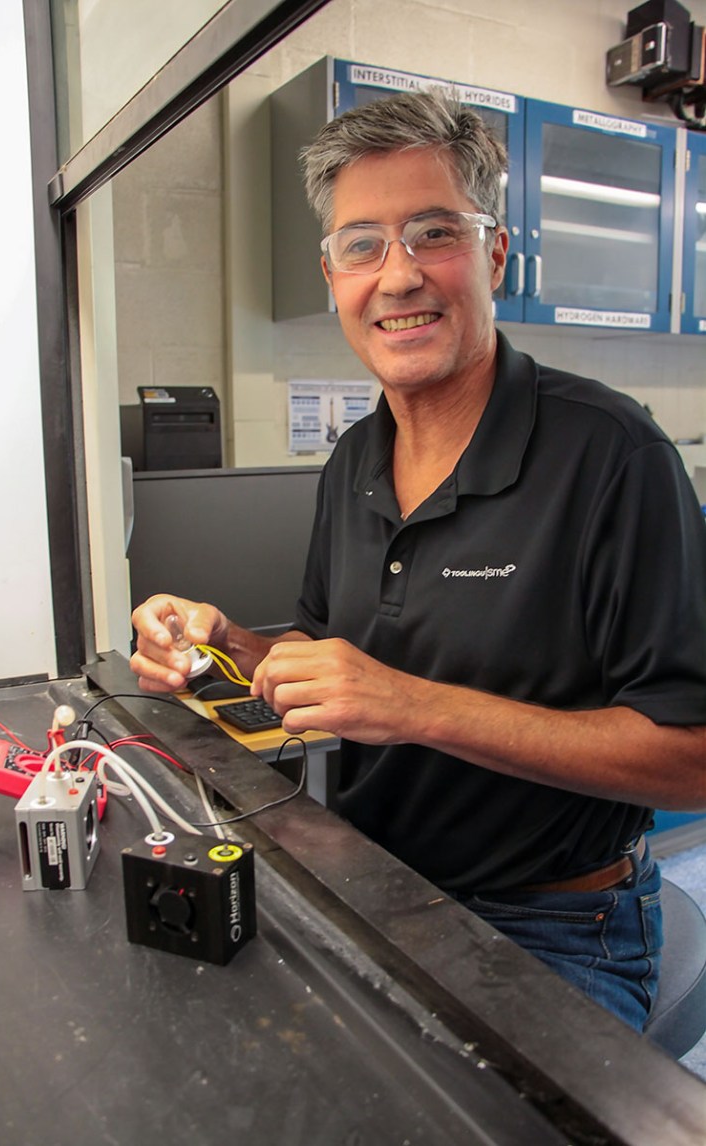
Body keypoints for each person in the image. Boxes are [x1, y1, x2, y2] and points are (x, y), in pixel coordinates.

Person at [131, 89, 706, 1032]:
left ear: (495, 255)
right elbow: (326, 657)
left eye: (433, 232)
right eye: (362, 244)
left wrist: (414, 706)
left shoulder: (611, 455)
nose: (397, 277)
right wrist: (226, 644)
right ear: (332, 275)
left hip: (555, 919)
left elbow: (692, 759)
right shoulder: (357, 457)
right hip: (376, 880)